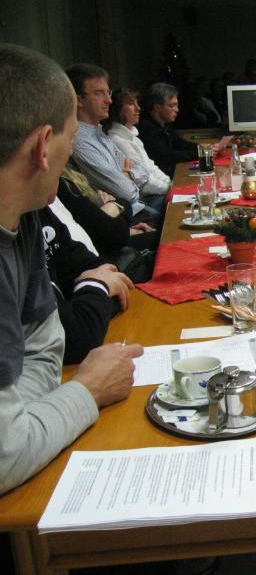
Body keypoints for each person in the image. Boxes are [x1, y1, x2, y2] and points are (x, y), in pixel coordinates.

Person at [0, 43, 143, 495]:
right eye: (71, 137)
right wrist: (87, 391)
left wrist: (26, 421)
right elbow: (4, 457)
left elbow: (44, 347)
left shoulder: (24, 219)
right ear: (44, 146)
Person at [66, 64, 164, 220]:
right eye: (99, 93)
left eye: (108, 92)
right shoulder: (79, 141)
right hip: (126, 218)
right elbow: (127, 193)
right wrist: (127, 175)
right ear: (78, 100)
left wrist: (127, 174)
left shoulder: (99, 132)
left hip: (135, 209)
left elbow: (144, 171)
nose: (109, 100)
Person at [39, 206, 133, 364]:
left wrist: (94, 290)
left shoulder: (35, 213)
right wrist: (97, 287)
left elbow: (110, 277)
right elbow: (77, 339)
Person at [104, 88, 171, 197]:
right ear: (117, 109)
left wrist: (169, 183)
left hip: (156, 192)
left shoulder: (133, 137)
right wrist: (170, 189)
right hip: (145, 198)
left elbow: (151, 167)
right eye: (131, 103)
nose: (138, 108)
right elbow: (143, 182)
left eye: (137, 103)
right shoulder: (117, 140)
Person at [137, 82, 200, 177]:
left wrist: (204, 148)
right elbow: (165, 155)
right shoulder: (145, 128)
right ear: (157, 108)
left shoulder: (164, 123)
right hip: (160, 177)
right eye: (172, 105)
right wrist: (200, 153)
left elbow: (180, 143)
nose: (177, 110)